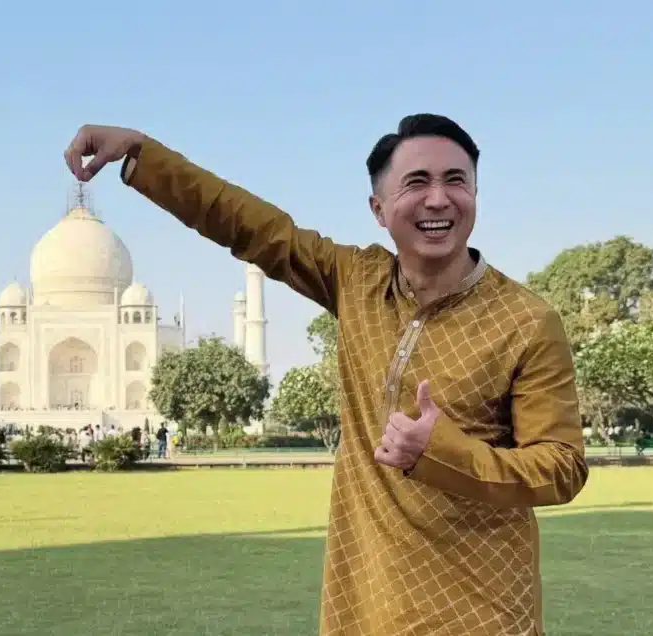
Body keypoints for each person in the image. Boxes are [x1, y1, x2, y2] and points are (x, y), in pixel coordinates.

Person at [63, 115, 588, 635]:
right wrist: (143, 154)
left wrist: (443, 452)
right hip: (365, 601)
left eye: (456, 181)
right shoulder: (358, 282)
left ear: (475, 195)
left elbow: (561, 467)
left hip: (480, 610)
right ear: (378, 209)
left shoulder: (526, 321)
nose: (438, 199)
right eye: (417, 182)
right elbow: (250, 226)